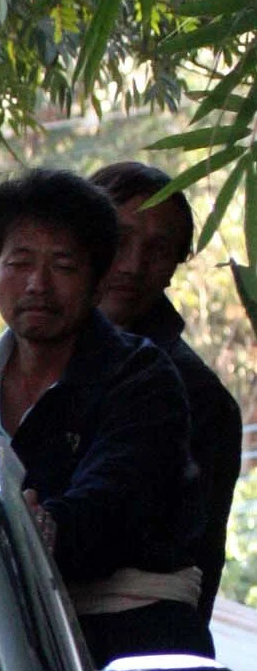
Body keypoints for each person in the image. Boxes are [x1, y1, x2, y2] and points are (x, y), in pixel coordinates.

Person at [0, 169, 210, 665]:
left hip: (131, 646)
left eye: (63, 266)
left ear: (97, 282)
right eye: (19, 263)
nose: (38, 285)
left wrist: (39, 528)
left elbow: (113, 505)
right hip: (5, 647)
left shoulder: (141, 377)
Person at [90, 160, 244, 623]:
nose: (134, 265)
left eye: (158, 250)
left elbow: (199, 570)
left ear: (176, 266)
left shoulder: (199, 398)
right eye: (120, 240)